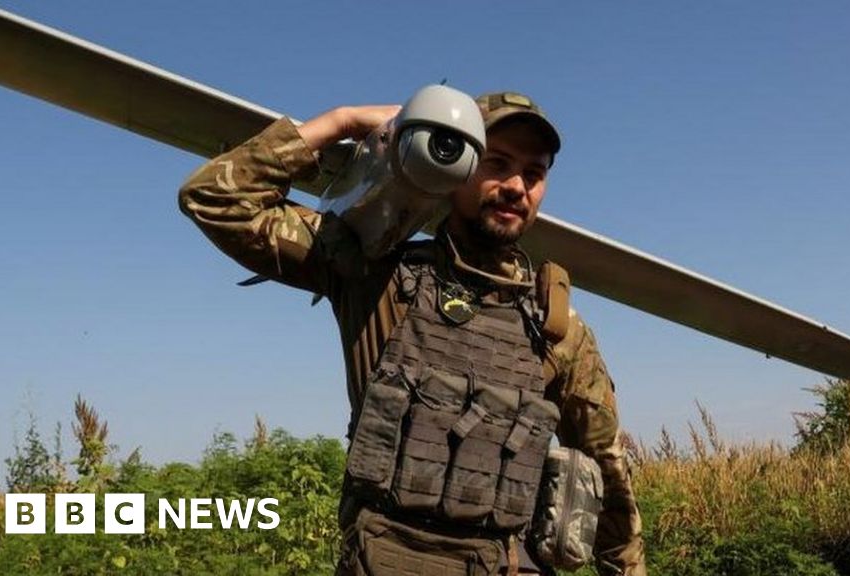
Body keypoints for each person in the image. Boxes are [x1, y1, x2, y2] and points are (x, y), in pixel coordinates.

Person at [179, 91, 647, 576]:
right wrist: (345, 121)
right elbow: (215, 198)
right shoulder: (376, 274)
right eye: (497, 162)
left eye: (534, 173)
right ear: (459, 165)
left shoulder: (556, 328)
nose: (515, 186)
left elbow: (610, 476)